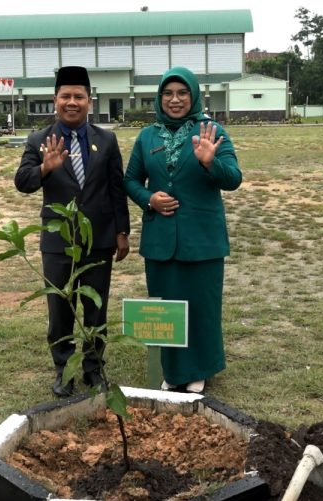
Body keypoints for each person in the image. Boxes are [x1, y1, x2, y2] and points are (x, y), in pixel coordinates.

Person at [123, 66, 242, 394]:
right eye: (168, 94)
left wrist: (209, 162)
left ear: (193, 96)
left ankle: (200, 369)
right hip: (160, 238)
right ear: (159, 98)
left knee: (202, 305)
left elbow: (233, 178)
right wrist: (149, 199)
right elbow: (130, 179)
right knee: (166, 305)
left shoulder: (212, 130)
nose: (175, 100)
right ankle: (173, 370)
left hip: (202, 238)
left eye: (182, 93)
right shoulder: (147, 136)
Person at [15, 66, 131, 398]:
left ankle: (94, 369)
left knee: (96, 308)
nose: (72, 102)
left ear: (89, 102)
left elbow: (116, 188)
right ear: (55, 100)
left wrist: (121, 232)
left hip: (99, 240)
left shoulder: (106, 140)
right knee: (60, 310)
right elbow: (22, 182)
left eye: (78, 96)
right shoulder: (39, 140)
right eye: (65, 96)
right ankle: (64, 370)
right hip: (58, 243)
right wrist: (44, 168)